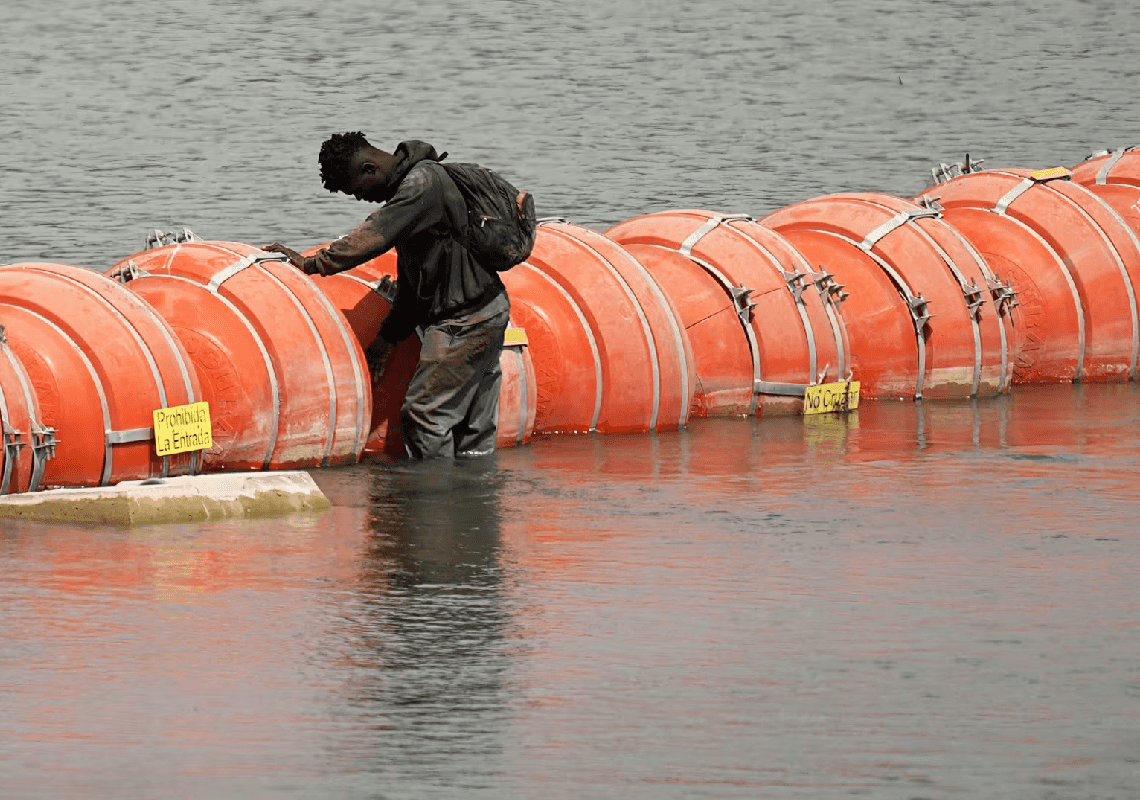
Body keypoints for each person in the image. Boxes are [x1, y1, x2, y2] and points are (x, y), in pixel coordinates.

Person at [264, 132, 511, 460]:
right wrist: (388, 339)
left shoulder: (420, 186)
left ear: (369, 169)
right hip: (487, 310)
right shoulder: (419, 196)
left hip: (463, 322)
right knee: (472, 427)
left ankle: (435, 502)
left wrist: (311, 263)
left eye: (355, 190)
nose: (359, 199)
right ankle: (474, 501)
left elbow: (374, 235)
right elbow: (413, 286)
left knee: (424, 418)